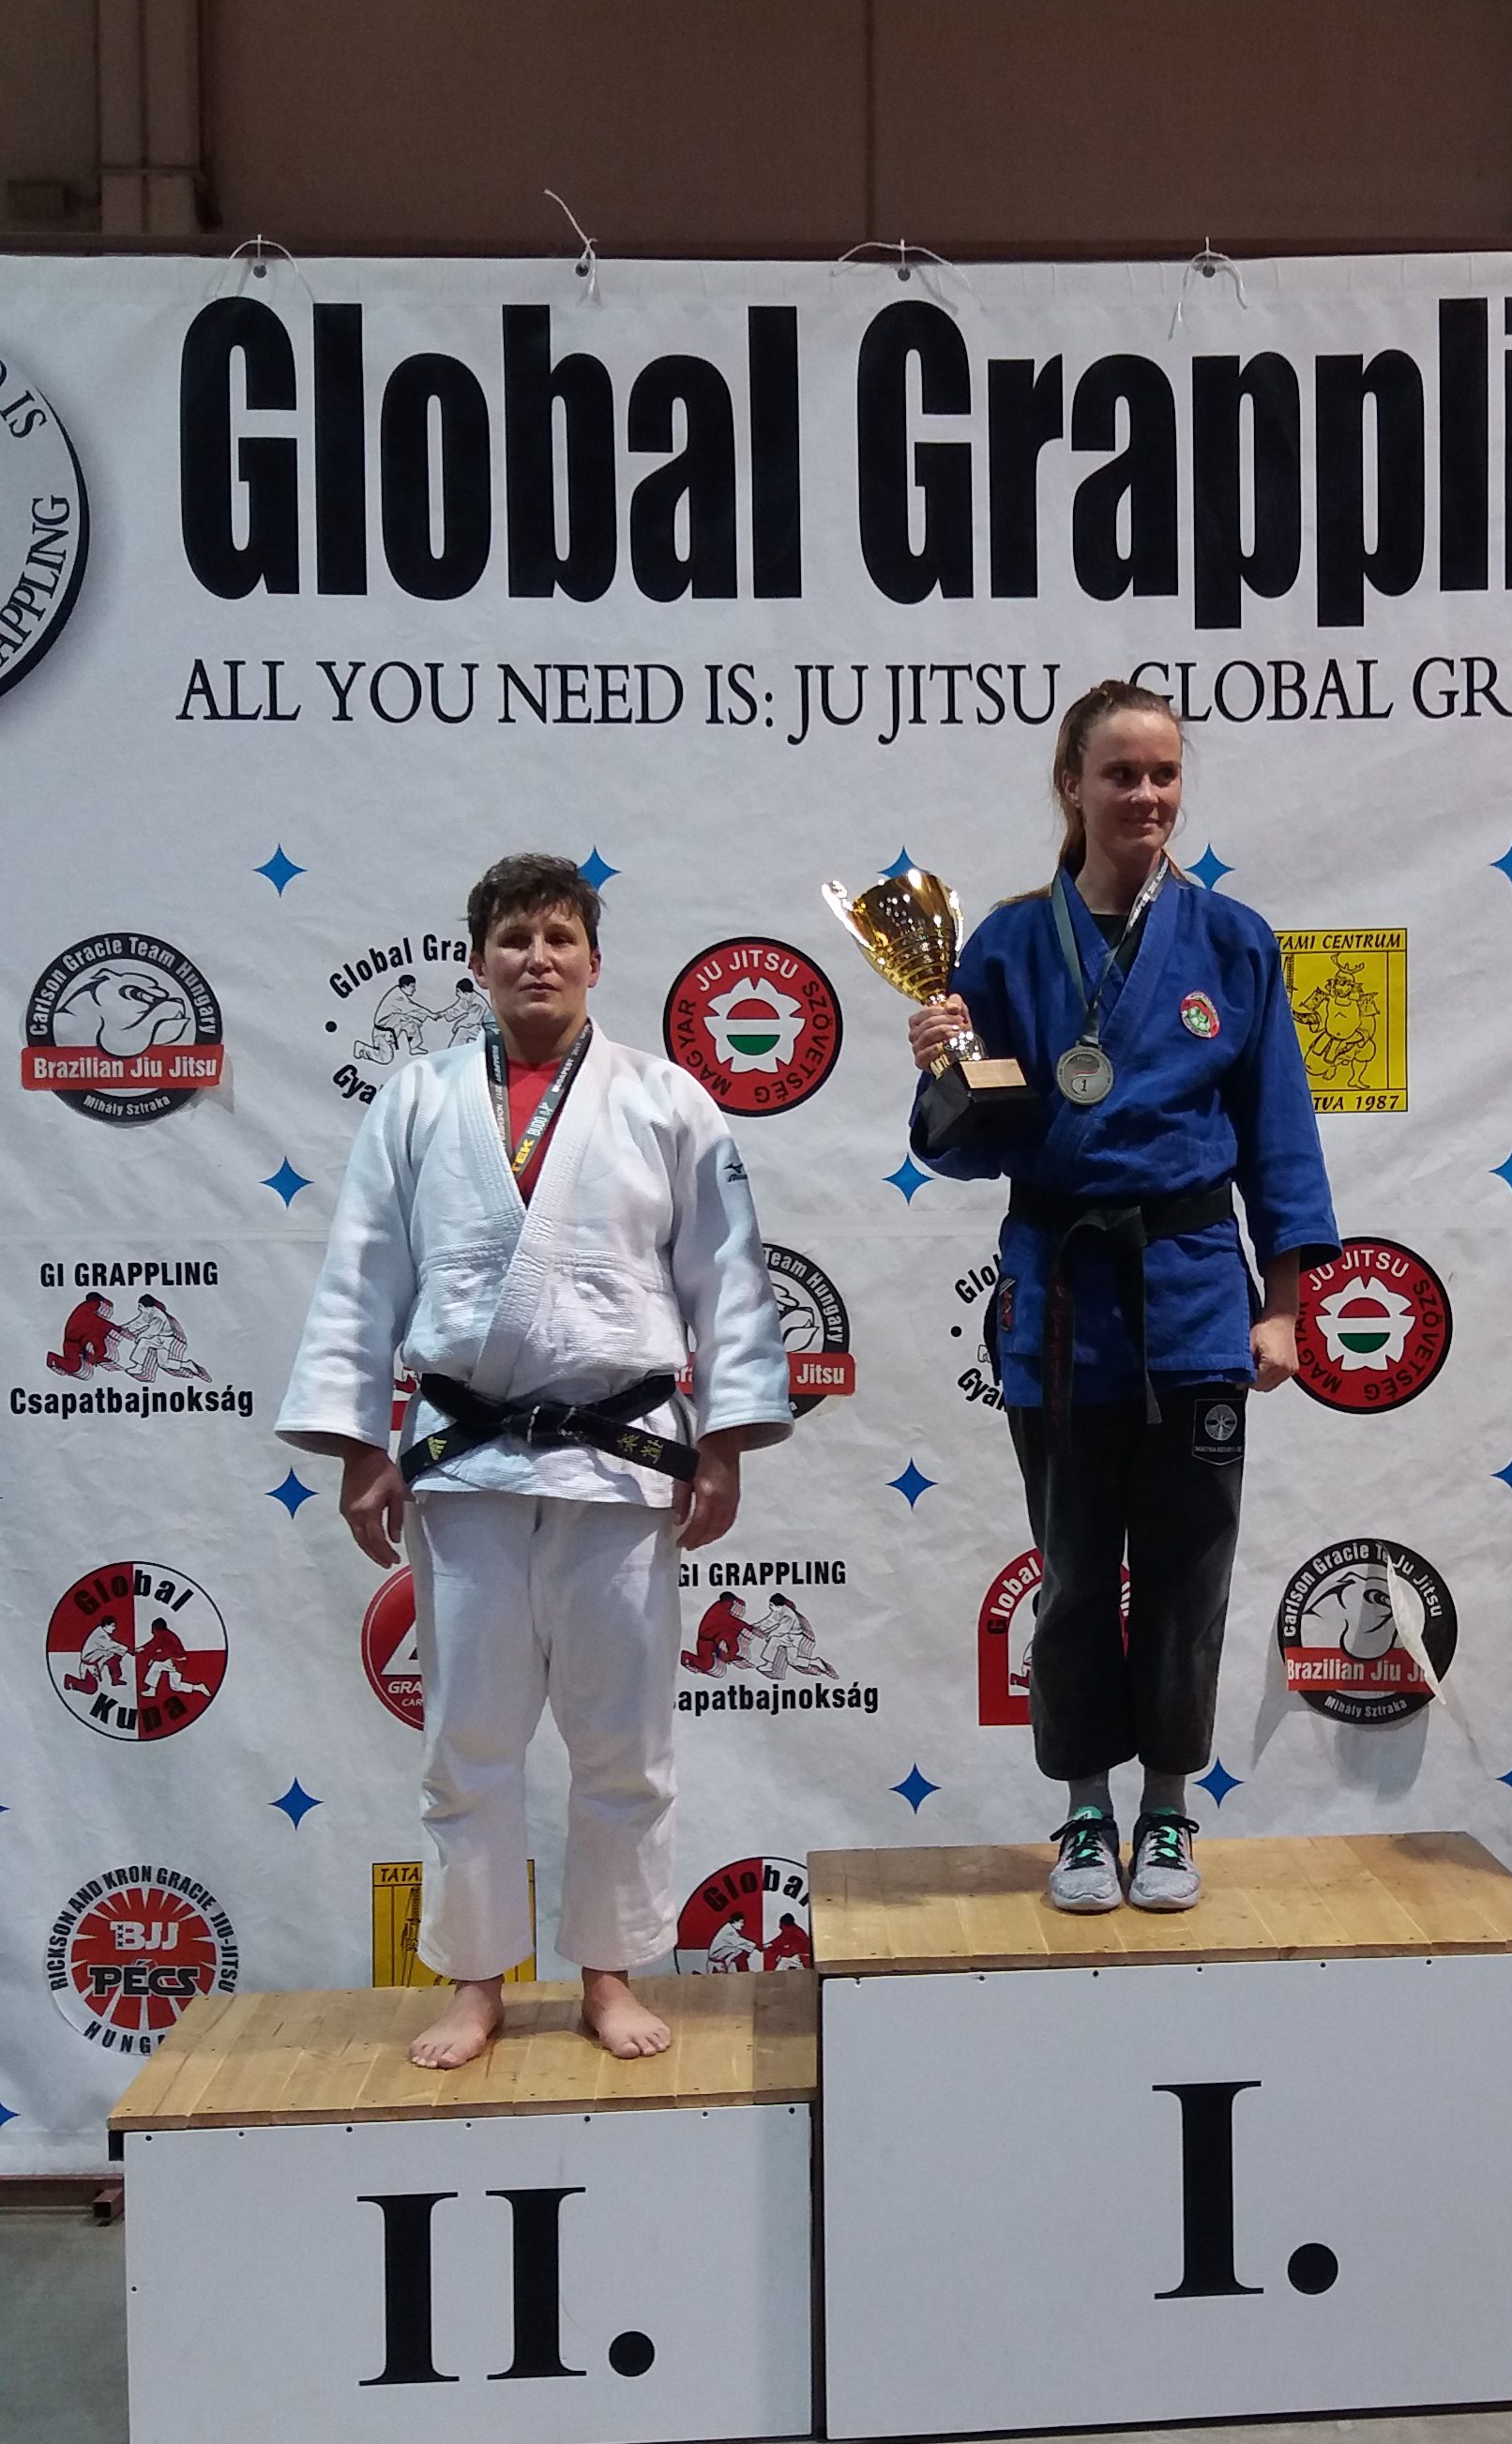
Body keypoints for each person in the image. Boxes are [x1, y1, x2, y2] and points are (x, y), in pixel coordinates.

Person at [279, 852, 792, 2070]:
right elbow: (364, 1275)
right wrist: (358, 1446)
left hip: (620, 1461)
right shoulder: (416, 1101)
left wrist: (722, 1445)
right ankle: (475, 1982)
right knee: (469, 1739)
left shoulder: (667, 1099)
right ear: (478, 962)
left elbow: (726, 1279)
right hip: (465, 1465)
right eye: (514, 939)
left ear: (594, 961)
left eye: (559, 938)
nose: (537, 958)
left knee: (623, 1744)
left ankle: (608, 1972)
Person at [906, 677, 1338, 1913]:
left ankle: (1168, 1809)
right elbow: (962, 1146)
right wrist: (945, 1070)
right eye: (1119, 774)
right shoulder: (1002, 944)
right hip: (1060, 1299)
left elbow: (1278, 1130)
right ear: (1071, 785)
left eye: (1163, 774)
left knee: (1190, 1574)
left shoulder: (1233, 940)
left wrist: (1282, 1304)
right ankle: (1085, 1813)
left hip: (1194, 1296)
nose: (1145, 795)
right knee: (1076, 1572)